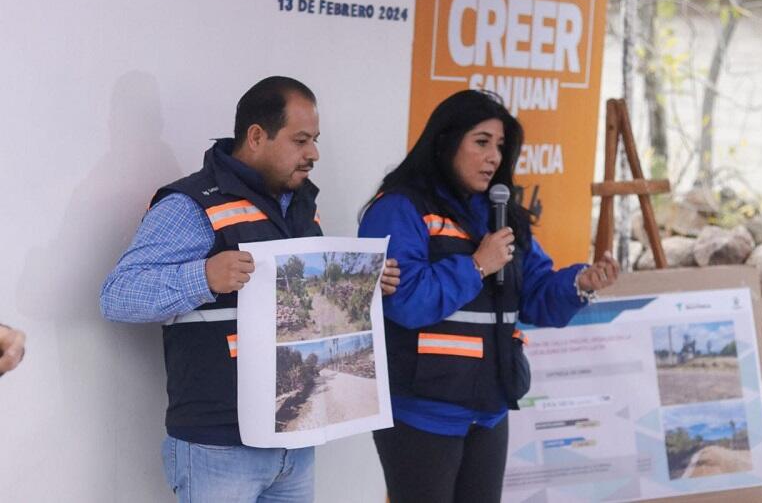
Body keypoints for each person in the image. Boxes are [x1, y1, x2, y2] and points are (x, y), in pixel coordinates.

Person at [100, 76, 400, 503]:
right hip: (218, 444)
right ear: (257, 136)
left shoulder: (300, 208)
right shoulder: (191, 205)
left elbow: (304, 310)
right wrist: (202, 277)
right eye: (300, 140)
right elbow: (117, 295)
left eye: (314, 140)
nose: (313, 153)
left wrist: (362, 287)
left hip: (295, 436)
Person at [358, 90, 619, 503]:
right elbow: (406, 300)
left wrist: (579, 283)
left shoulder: (503, 216)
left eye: (499, 146)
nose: (494, 157)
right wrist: (477, 265)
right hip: (421, 410)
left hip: (490, 409)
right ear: (446, 142)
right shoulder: (399, 208)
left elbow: (534, 294)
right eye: (481, 142)